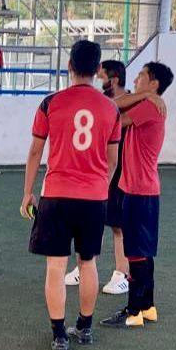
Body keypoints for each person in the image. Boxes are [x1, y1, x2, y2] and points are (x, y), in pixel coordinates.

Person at [21, 40, 121, 350]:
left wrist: (27, 192)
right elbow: (113, 159)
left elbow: (36, 150)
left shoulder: (51, 103)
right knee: (88, 262)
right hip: (93, 198)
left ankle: (59, 335)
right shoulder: (111, 108)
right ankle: (85, 327)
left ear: (69, 66)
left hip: (56, 196)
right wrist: (100, 185)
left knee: (56, 267)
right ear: (98, 71)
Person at [100, 62, 173, 328]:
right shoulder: (149, 102)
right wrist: (141, 94)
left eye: (142, 76)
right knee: (143, 251)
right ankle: (148, 306)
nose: (138, 79)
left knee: (136, 253)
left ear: (154, 84)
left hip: (139, 190)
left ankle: (133, 312)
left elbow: (113, 111)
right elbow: (120, 101)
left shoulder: (150, 106)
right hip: (143, 188)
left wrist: (141, 96)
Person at [64, 60, 130, 294]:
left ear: (112, 80)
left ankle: (122, 274)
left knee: (118, 226)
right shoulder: (102, 104)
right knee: (94, 222)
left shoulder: (126, 104)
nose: (97, 81)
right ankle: (84, 268)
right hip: (100, 170)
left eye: (101, 77)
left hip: (121, 171)